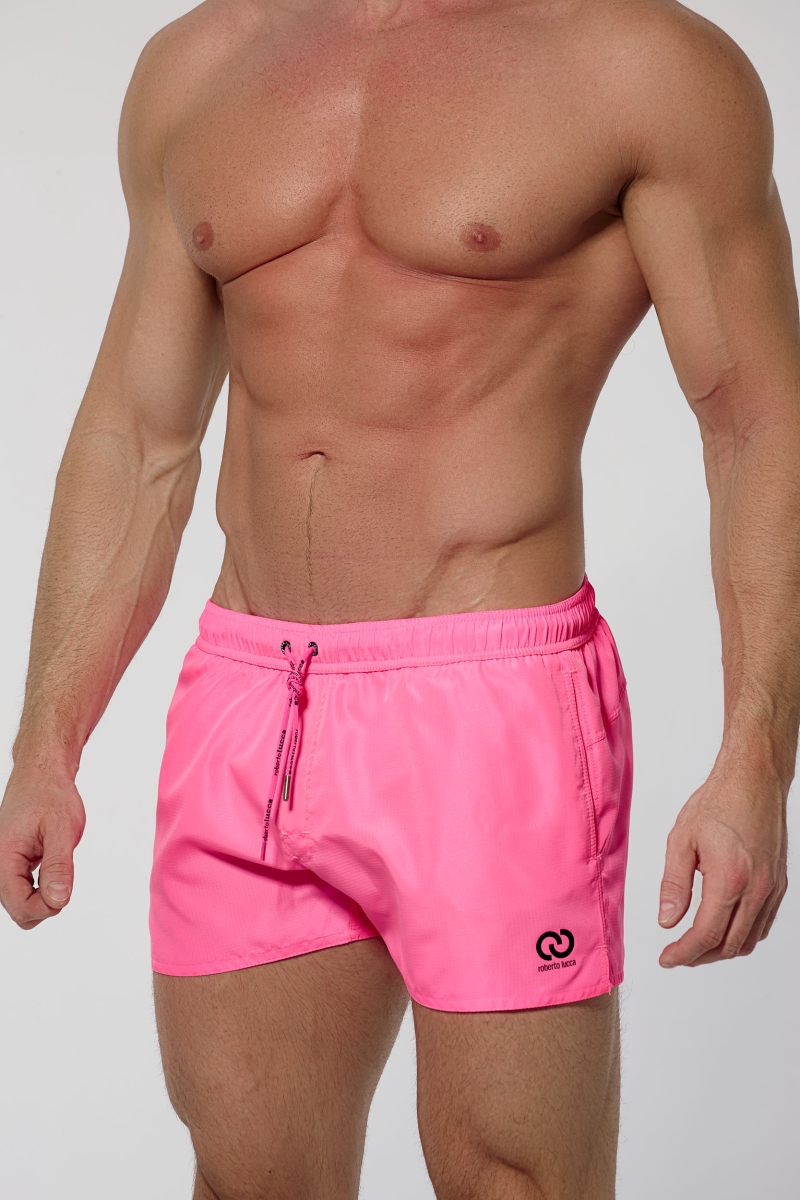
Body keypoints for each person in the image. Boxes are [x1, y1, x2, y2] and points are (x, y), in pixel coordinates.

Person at [1, 0, 797, 1196]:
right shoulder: (200, 64)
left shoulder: (635, 64)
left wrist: (754, 759)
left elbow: (756, 425)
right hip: (250, 698)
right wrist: (45, 742)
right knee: (246, 1179)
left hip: (489, 706)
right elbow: (138, 434)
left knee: (513, 1181)